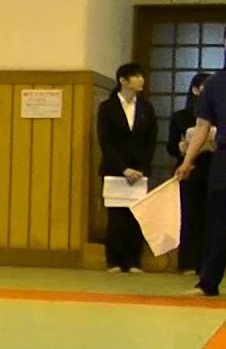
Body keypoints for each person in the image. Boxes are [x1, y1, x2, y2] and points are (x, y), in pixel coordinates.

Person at [96, 63, 157, 274]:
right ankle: (114, 260)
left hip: (139, 170)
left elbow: (151, 141)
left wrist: (140, 168)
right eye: (136, 76)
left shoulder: (146, 108)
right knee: (116, 216)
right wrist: (124, 168)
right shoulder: (107, 107)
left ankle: (133, 261)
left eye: (141, 75)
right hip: (115, 169)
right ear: (123, 80)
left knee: (136, 216)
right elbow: (105, 141)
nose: (141, 80)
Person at [176, 68, 226, 297]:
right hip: (223, 158)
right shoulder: (215, 83)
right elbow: (202, 127)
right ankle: (208, 282)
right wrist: (187, 161)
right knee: (218, 224)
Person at [167, 73, 213, 275]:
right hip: (190, 169)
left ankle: (209, 264)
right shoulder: (181, 116)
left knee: (212, 216)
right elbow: (170, 146)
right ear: (195, 89)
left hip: (214, 166)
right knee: (190, 216)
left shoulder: (217, 113)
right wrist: (181, 149)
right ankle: (188, 262)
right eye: (205, 86)